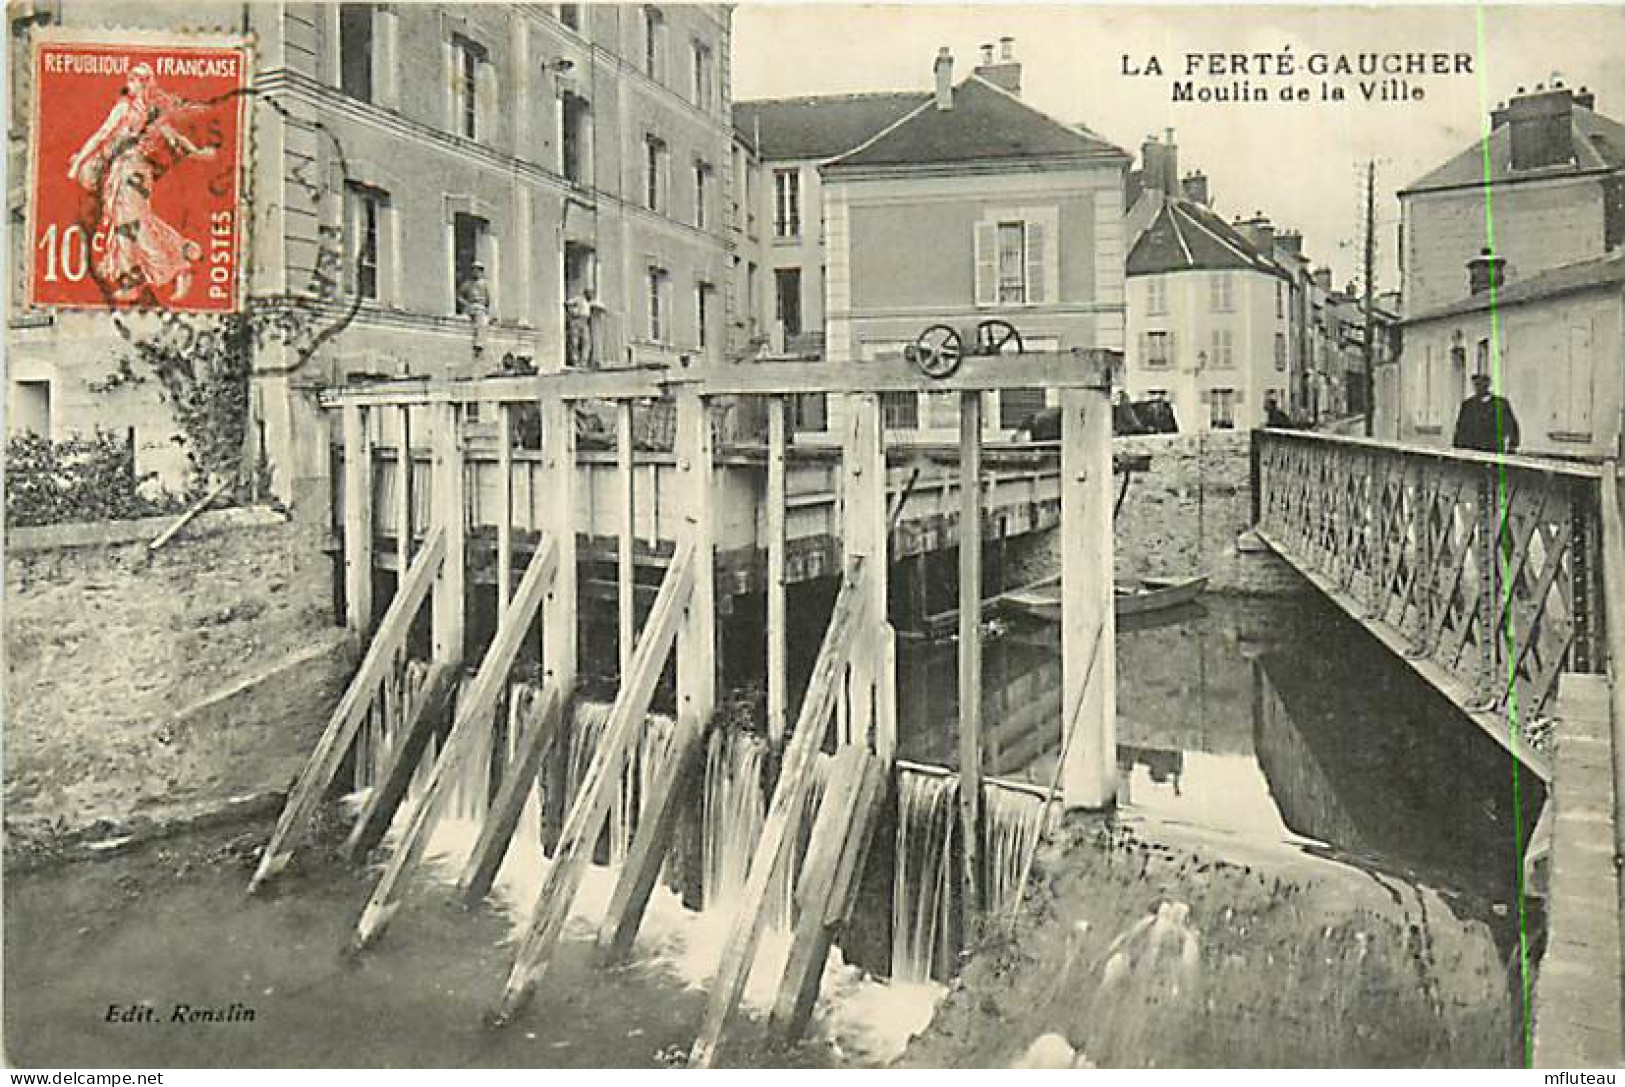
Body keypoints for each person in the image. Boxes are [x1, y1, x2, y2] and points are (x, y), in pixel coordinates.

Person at [67, 63, 217, 303]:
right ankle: (171, 259)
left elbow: (102, 135)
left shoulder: (127, 108)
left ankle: (174, 267)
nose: (130, 84)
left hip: (129, 172)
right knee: (132, 222)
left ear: (143, 84)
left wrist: (78, 163)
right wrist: (197, 152)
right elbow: (174, 139)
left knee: (132, 224)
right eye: (131, 79)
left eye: (135, 80)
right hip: (131, 172)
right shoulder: (151, 111)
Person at [1452, 373, 1520, 453]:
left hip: (1493, 449)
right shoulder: (1468, 405)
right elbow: (1460, 427)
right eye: (1476, 385)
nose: (1478, 388)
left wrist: (1512, 445)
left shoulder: (1500, 404)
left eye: (1481, 384)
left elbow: (1511, 425)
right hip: (1471, 449)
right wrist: (1457, 447)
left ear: (1487, 385)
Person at [457, 262, 491, 357]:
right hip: (471, 306)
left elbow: (488, 299)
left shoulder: (484, 284)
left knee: (482, 322)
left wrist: (486, 308)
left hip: (480, 307)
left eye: (478, 270)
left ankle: (479, 344)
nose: (475, 272)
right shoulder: (468, 284)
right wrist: (465, 303)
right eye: (474, 270)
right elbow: (459, 295)